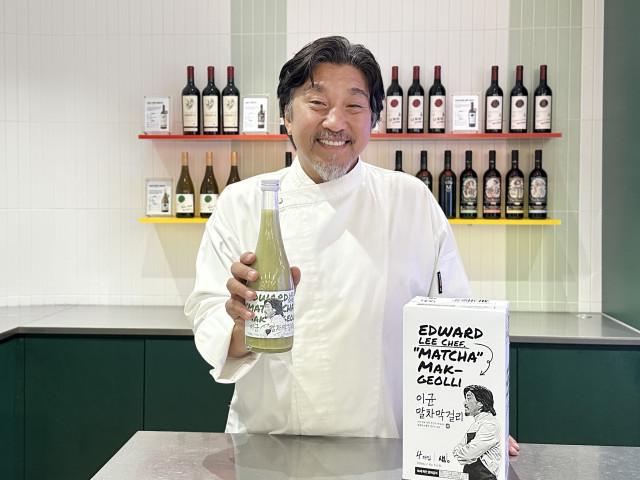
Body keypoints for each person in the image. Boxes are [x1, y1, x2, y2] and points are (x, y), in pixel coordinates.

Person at [185, 36, 519, 454]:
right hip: (270, 446)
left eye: (354, 106)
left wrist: (475, 426)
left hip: (384, 447)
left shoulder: (411, 201)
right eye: (318, 103)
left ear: (373, 119)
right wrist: (241, 324)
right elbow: (208, 319)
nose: (335, 122)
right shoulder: (243, 203)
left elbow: (455, 328)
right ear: (286, 116)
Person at [453, 385, 502, 480]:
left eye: (468, 399)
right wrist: (466, 455)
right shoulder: (475, 424)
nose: (464, 403)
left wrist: (467, 455)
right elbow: (458, 448)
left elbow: (470, 452)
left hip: (485, 476)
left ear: (480, 403)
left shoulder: (490, 424)